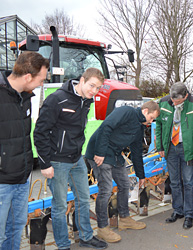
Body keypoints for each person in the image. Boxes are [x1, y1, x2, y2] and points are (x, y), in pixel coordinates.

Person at [34, 68, 107, 250]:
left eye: (98, 88)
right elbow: (40, 132)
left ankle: (86, 237)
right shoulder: (57, 99)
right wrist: (45, 163)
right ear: (81, 80)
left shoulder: (86, 101)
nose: (94, 91)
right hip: (57, 161)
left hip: (76, 159)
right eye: (92, 85)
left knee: (83, 199)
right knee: (59, 206)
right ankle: (63, 245)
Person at [85, 101, 160, 243]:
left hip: (114, 153)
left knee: (125, 185)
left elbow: (137, 152)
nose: (151, 122)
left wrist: (141, 175)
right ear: (145, 111)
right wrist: (100, 153)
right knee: (106, 189)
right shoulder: (126, 112)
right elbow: (106, 127)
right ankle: (102, 228)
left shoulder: (139, 128)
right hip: (99, 151)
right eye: (151, 118)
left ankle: (125, 219)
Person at [0, 51, 49, 250]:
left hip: (22, 178)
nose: (42, 84)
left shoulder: (26, 97)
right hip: (2, 181)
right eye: (41, 79)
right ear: (28, 76)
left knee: (16, 227)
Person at [155, 82, 193, 230]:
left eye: (177, 100)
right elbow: (158, 125)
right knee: (174, 181)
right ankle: (178, 210)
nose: (174, 102)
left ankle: (189, 214)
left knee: (189, 182)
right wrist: (160, 146)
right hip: (170, 147)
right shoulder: (164, 102)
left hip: (188, 149)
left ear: (185, 96)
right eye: (172, 99)